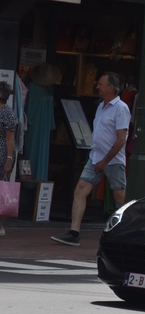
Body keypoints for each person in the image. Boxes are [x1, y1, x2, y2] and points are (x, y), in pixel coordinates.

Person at [51, 72, 131, 246]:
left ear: (111, 87)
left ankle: (133, 229)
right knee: (80, 190)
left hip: (113, 160)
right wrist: (97, 158)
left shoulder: (121, 108)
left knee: (120, 196)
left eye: (101, 84)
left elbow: (121, 139)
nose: (97, 87)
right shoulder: (101, 106)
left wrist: (105, 161)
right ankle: (74, 232)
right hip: (95, 157)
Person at [0, 81, 18, 237]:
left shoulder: (8, 113)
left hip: (1, 154)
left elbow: (10, 139)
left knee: (1, 188)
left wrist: (9, 159)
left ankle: (0, 225)